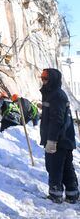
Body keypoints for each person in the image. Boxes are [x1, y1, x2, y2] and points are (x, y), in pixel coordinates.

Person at [39, 68, 78, 204]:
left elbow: (57, 120)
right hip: (63, 139)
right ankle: (72, 194)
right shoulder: (53, 94)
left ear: (53, 79)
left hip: (59, 140)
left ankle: (55, 194)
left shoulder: (57, 95)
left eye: (45, 78)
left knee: (54, 166)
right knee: (66, 166)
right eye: (42, 77)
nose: (43, 80)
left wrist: (51, 140)